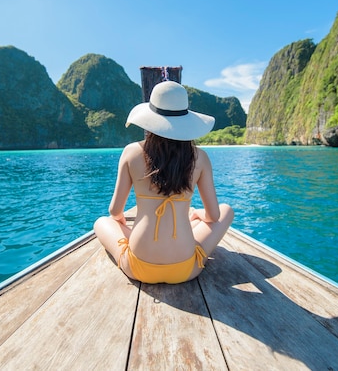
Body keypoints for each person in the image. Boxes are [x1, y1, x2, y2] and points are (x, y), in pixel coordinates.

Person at [93, 80, 234, 284]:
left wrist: (123, 223)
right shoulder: (200, 158)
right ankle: (188, 222)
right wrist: (197, 214)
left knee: (102, 222)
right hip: (186, 268)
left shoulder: (131, 152)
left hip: (138, 266)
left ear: (150, 120)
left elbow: (115, 211)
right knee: (226, 210)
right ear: (187, 121)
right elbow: (214, 216)